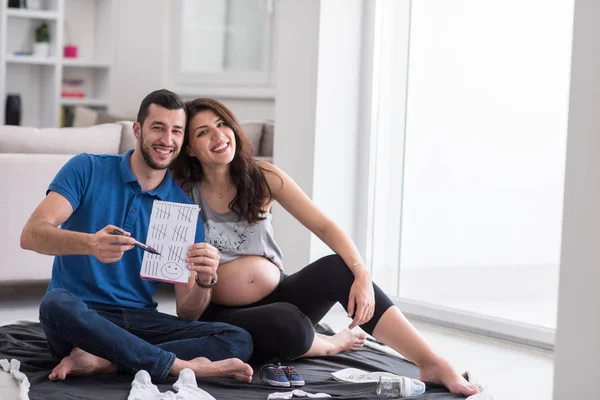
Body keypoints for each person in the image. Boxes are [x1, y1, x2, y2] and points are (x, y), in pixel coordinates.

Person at [170, 97, 481, 397]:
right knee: (288, 324)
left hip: (280, 295)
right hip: (222, 315)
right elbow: (186, 311)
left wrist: (361, 274)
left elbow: (324, 226)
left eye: (222, 124)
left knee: (336, 267)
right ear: (191, 149)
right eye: (202, 132)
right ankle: (330, 343)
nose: (217, 135)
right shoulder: (182, 194)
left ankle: (430, 362)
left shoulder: (263, 177)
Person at [20, 90, 254, 383]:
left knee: (237, 339)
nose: (167, 140)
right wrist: (90, 244)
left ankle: (108, 361)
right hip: (81, 317)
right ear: (137, 129)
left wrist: (206, 280)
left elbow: (188, 311)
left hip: (138, 320)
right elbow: (31, 234)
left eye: (176, 131)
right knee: (54, 303)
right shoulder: (87, 168)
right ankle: (177, 366)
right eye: (158, 127)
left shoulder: (182, 208)